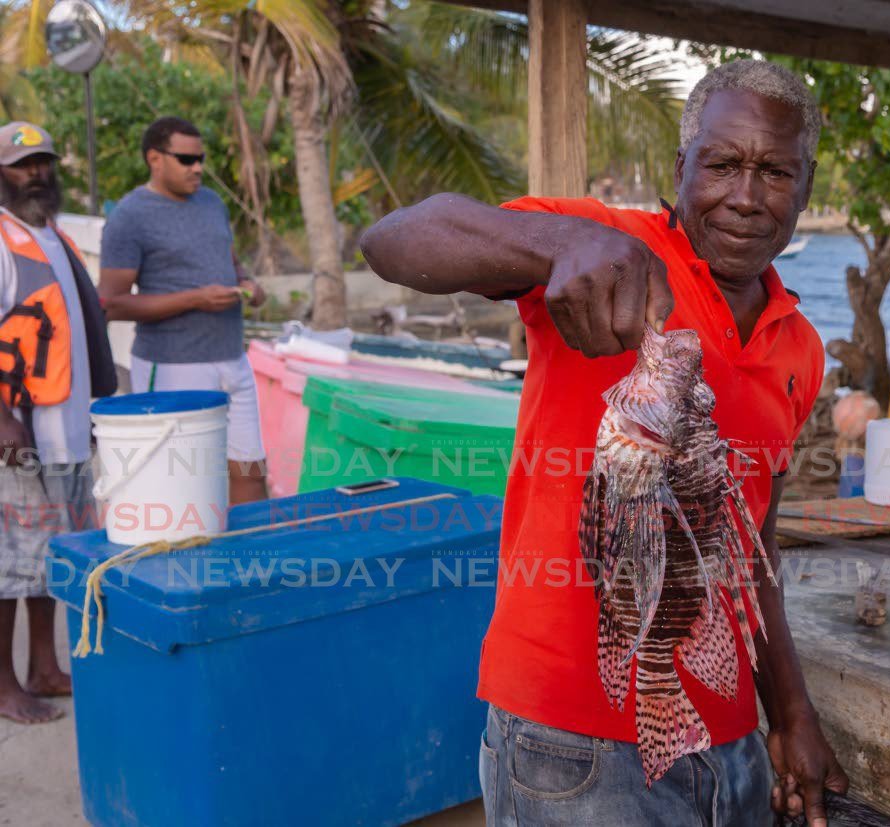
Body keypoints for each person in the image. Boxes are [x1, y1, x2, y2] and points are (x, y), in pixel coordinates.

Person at [361, 60, 848, 825]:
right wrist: (559, 242)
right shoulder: (610, 251)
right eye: (722, 165)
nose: (747, 197)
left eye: (776, 172)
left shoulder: (804, 347)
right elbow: (395, 239)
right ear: (682, 168)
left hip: (733, 741)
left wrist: (789, 711)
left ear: (807, 185)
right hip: (573, 745)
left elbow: (755, 544)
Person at [0, 121, 116, 723]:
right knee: (10, 564)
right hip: (18, 435)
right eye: (22, 164)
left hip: (67, 428)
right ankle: (3, 685)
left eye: (43, 161)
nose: (37, 173)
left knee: (52, 557)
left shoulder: (55, 236)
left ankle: (45, 666)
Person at [99, 116, 268, 505]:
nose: (198, 168)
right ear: (154, 158)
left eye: (201, 158)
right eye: (186, 159)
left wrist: (248, 285)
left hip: (233, 360)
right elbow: (112, 303)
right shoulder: (129, 216)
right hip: (174, 366)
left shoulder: (211, 202)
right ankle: (186, 565)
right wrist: (195, 299)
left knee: (251, 473)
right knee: (185, 485)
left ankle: (260, 559)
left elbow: (230, 261)